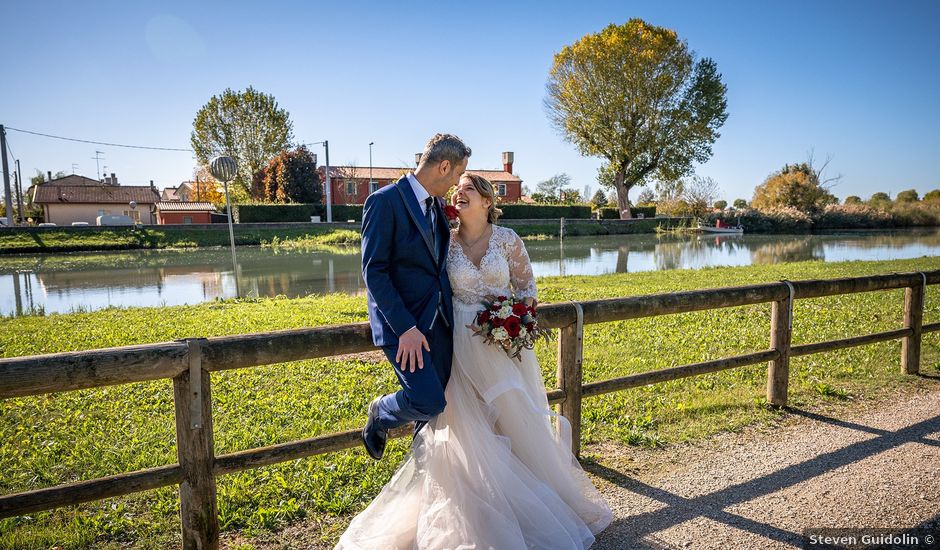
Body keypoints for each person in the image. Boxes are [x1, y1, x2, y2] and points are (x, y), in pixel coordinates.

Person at [339, 172, 612, 549]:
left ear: (487, 201)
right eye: (457, 189)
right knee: (467, 430)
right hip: (458, 346)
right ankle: (478, 513)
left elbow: (528, 292)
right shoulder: (443, 241)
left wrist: (512, 321)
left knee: (511, 421)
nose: (458, 193)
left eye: (468, 188)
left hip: (502, 348)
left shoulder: (508, 240)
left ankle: (526, 510)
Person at [359, 133, 470, 460]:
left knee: (436, 406)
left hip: (440, 322)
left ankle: (423, 473)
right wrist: (406, 328)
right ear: (444, 166)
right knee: (427, 400)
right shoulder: (384, 201)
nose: (455, 183)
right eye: (457, 173)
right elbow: (374, 271)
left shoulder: (436, 205)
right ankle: (380, 412)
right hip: (404, 326)